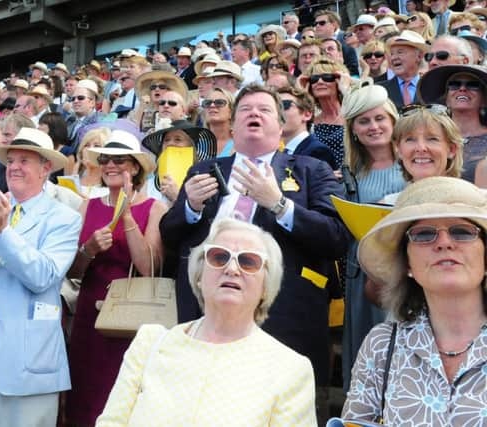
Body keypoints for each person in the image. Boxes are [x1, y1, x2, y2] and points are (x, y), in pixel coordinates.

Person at [159, 84, 350, 423]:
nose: (254, 114)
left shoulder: (311, 170)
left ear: (281, 126)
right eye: (246, 110)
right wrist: (189, 205)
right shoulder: (203, 170)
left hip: (287, 320)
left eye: (264, 110)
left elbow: (336, 236)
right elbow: (170, 236)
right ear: (232, 127)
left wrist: (278, 204)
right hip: (204, 317)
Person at [96, 218, 317, 426]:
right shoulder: (150, 343)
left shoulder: (290, 369)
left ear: (266, 286)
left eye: (248, 261)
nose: (231, 269)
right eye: (219, 257)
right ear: (200, 275)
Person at [0, 128, 81, 427]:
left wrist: (3, 232)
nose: (14, 167)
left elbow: (43, 276)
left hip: (29, 358)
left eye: (24, 160)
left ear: (46, 168)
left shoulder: (64, 217)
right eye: (10, 161)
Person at [343, 176, 487, 424]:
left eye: (462, 232)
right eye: (423, 234)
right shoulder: (381, 344)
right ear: (406, 263)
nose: (444, 243)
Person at [65, 130, 167, 427]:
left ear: (135, 167)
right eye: (106, 159)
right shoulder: (88, 206)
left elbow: (149, 266)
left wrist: (126, 215)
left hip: (129, 316)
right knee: (83, 390)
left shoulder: (154, 208)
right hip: (89, 313)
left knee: (120, 392)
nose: (111, 165)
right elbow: (73, 271)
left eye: (120, 159)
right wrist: (89, 249)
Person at [339, 80, 406, 391]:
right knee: (366, 351)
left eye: (380, 118)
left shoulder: (411, 163)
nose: (373, 126)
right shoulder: (349, 171)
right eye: (363, 121)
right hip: (361, 272)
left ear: (393, 119)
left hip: (403, 267)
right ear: (353, 129)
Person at [417, 64, 487, 183]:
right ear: (446, 99)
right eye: (454, 85)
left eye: (473, 85)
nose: (462, 89)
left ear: (484, 100)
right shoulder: (427, 136)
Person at [141, 120, 217, 204]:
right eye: (166, 140)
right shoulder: (148, 185)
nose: (170, 143)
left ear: (190, 146)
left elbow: (204, 215)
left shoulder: (201, 181)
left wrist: (176, 197)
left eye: (178, 139)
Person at [298, 57, 350, 169]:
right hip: (319, 179)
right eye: (314, 79)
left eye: (327, 77)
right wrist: (300, 95)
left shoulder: (352, 114)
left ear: (338, 81)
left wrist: (345, 90)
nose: (320, 81)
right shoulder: (308, 120)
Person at [278, 85, 336, 169]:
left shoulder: (317, 151)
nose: (278, 112)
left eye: (284, 105)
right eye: (274, 107)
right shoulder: (273, 151)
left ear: (307, 114)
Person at [378, 30, 427, 110]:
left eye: (400, 52)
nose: (393, 58)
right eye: (392, 53)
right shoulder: (380, 90)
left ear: (419, 56)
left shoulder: (431, 87)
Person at [71, 126, 110, 199]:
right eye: (87, 145)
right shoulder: (76, 175)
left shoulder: (110, 187)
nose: (90, 149)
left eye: (97, 146)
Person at [202, 88, 235, 157]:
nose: (212, 105)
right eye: (207, 103)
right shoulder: (196, 144)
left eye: (219, 102)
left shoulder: (241, 145)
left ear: (231, 112)